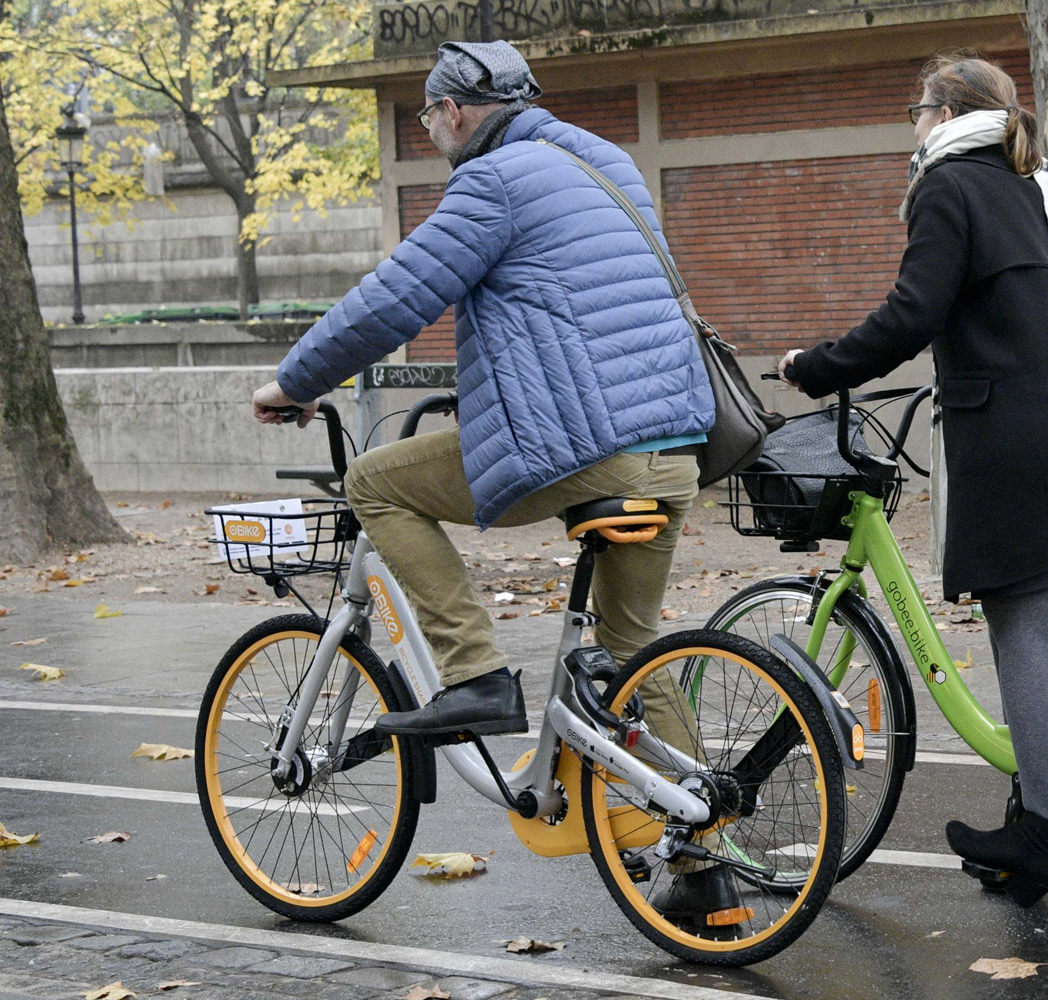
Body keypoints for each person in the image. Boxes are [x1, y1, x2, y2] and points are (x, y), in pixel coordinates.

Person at [250, 41, 733, 929]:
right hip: (676, 448)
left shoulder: (493, 181)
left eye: (430, 115)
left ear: (460, 109)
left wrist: (294, 380)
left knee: (375, 481)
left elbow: (397, 297)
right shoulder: (605, 161)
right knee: (629, 650)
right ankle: (701, 855)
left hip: (588, 445)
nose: (430, 130)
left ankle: (473, 675)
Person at [777, 53, 1048, 907]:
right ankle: (1031, 807)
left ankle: (1042, 830)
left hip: (1020, 422)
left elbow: (914, 310)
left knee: (1018, 624)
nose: (913, 124)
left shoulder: (950, 185)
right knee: (1035, 617)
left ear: (941, 113)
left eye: (915, 108)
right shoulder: (1030, 183)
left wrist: (819, 366)